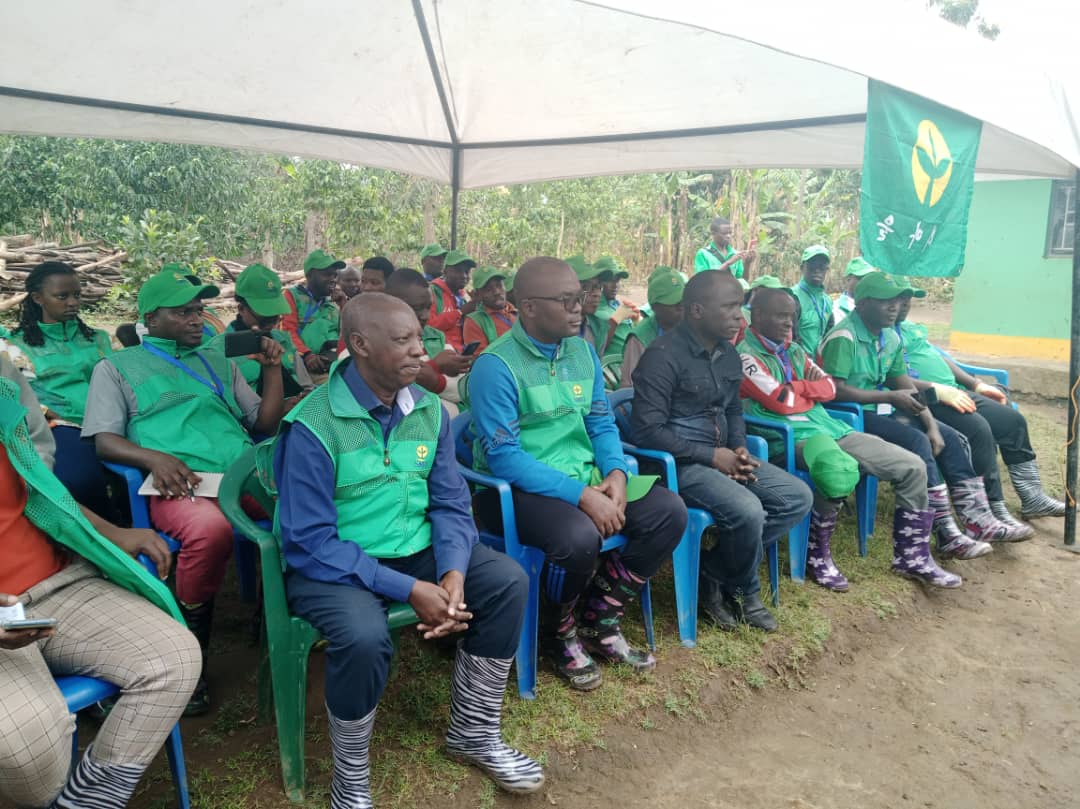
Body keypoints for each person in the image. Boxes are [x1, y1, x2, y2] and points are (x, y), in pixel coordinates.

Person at [274, 293, 543, 802]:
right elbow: (310, 541)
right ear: (360, 345)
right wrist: (408, 588)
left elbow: (450, 503)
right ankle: (350, 778)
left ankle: (474, 732)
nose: (421, 350)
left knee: (506, 581)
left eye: (419, 337)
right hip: (334, 564)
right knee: (363, 636)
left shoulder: (428, 410)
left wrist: (454, 571)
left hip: (414, 548)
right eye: (403, 340)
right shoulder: (313, 424)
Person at [469, 257, 687, 691]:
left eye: (580, 297)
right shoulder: (495, 366)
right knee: (578, 537)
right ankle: (556, 630)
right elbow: (505, 459)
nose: (579, 307)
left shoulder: (582, 351)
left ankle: (600, 616)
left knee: (669, 512)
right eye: (566, 300)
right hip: (512, 492)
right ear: (529, 307)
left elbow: (601, 423)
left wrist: (616, 474)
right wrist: (583, 496)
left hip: (584, 476)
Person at [83, 266, 285, 714]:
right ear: (150, 318)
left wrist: (273, 370)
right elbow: (104, 440)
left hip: (240, 472)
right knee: (209, 532)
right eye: (183, 313)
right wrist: (152, 458)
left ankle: (276, 613)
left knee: (297, 511)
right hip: (180, 480)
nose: (196, 320)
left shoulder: (218, 360)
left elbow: (264, 423)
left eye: (198, 310)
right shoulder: (115, 368)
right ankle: (191, 645)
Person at [0, 376, 200, 809]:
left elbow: (38, 487)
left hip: (54, 584)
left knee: (175, 658)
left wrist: (111, 531)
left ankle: (84, 802)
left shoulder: (2, 382)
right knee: (32, 762)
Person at [631, 271, 812, 629]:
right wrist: (713, 457)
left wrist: (739, 447)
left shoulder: (727, 353)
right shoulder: (662, 357)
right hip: (678, 466)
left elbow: (732, 410)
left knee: (796, 497)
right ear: (697, 310)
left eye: (739, 307)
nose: (739, 317)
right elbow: (647, 432)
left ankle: (713, 571)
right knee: (748, 510)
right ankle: (746, 592)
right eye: (729, 308)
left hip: (723, 456)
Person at [739, 287, 936, 591]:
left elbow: (830, 387)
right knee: (837, 469)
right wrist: (804, 393)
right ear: (758, 315)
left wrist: (797, 389)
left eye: (792, 316)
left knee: (912, 466)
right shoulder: (745, 356)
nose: (789, 323)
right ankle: (816, 554)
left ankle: (912, 557)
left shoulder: (794, 351)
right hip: (785, 438)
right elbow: (780, 401)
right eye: (781, 316)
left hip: (830, 428)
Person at [819, 274, 1014, 569]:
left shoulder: (890, 338)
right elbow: (834, 391)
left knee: (948, 437)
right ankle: (944, 530)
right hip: (848, 415)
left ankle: (976, 519)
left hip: (880, 407)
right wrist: (889, 398)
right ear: (863, 303)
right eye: (885, 301)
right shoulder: (844, 337)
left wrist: (932, 424)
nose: (894, 307)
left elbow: (904, 385)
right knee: (917, 441)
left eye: (897, 301)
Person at [895, 294, 1064, 527]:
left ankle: (1033, 498)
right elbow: (892, 377)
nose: (904, 304)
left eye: (908, 300)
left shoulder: (908, 327)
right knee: (979, 429)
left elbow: (938, 357)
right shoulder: (883, 333)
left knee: (1012, 421)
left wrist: (975, 384)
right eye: (898, 299)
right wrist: (936, 388)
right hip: (924, 398)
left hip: (953, 390)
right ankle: (992, 507)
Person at [4, 261, 115, 515]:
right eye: (62, 296)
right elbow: (18, 396)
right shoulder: (15, 347)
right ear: (37, 298)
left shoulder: (100, 339)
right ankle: (103, 529)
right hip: (62, 423)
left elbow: (124, 379)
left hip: (112, 419)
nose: (73, 302)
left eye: (77, 295)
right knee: (79, 479)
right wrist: (49, 414)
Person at [207, 263, 314, 403]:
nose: (271, 324)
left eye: (275, 317)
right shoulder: (219, 351)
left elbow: (307, 386)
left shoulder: (283, 340)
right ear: (241, 309)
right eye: (264, 318)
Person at [386, 268, 472, 414]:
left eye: (428, 307)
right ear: (392, 304)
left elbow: (461, 388)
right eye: (417, 308)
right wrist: (435, 367)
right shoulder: (378, 340)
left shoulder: (436, 336)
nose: (425, 316)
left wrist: (436, 382)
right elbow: (390, 385)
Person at [619, 266, 685, 388]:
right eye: (673, 302)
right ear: (655, 307)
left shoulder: (693, 329)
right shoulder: (640, 338)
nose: (681, 306)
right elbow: (628, 387)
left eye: (683, 300)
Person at [283, 249, 345, 378]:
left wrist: (344, 306)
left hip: (334, 363)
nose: (332, 279)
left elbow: (346, 336)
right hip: (304, 366)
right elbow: (287, 332)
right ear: (310, 275)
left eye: (334, 275)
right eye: (327, 274)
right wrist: (307, 355)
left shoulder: (334, 304)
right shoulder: (292, 296)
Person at [790, 245, 834, 357]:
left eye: (822, 266)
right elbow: (790, 337)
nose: (817, 270)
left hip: (820, 363)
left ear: (827, 270)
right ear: (802, 268)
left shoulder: (827, 301)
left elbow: (829, 334)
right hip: (797, 362)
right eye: (812, 265)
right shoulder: (792, 297)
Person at [428, 250, 477, 351]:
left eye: (467, 271)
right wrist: (460, 312)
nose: (464, 276)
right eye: (458, 271)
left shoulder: (465, 296)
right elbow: (429, 327)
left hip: (465, 353)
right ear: (445, 271)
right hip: (441, 353)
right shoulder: (432, 292)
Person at [463, 266, 517, 352]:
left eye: (499, 285)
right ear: (478, 295)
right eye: (488, 289)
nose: (497, 292)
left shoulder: (519, 313)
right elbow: (482, 357)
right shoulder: (474, 321)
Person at [833, 257, 877, 322]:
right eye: (862, 278)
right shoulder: (836, 309)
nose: (867, 283)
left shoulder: (877, 307)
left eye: (870, 279)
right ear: (848, 280)